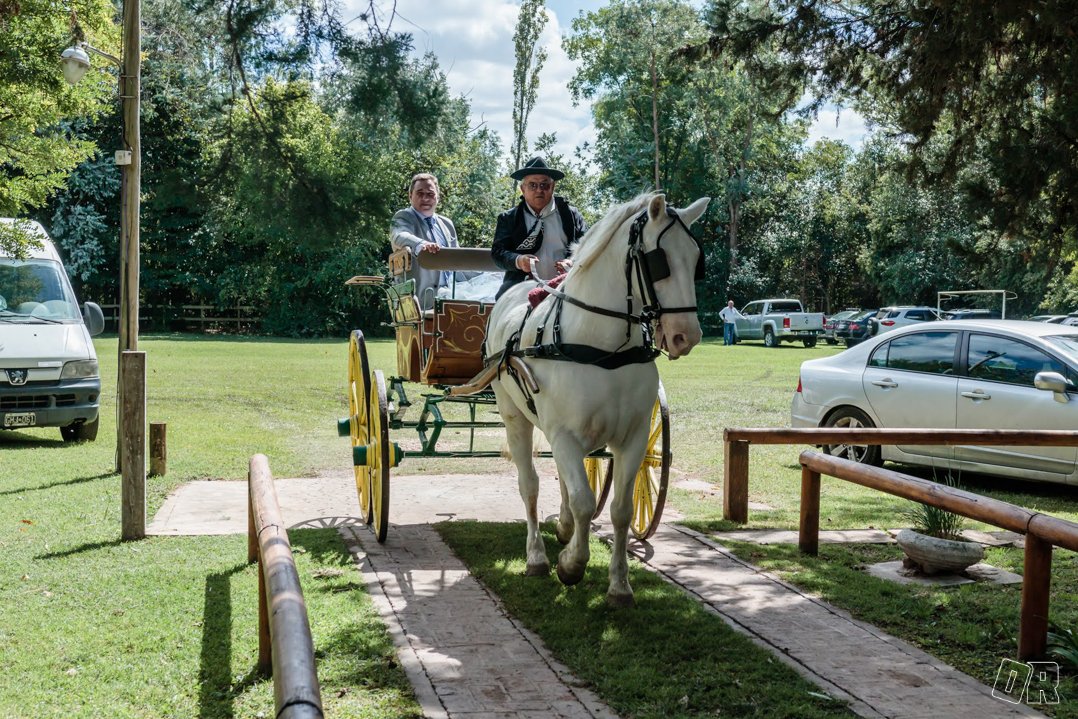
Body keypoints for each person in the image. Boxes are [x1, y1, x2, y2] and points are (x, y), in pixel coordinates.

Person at [491, 157, 587, 299]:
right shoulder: (508, 218)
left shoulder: (572, 216)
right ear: (523, 189)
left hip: (566, 289)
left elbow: (586, 247)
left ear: (552, 187)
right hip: (520, 290)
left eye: (544, 185)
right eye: (532, 185)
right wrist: (519, 260)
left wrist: (572, 261)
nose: (539, 190)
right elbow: (498, 253)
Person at [390, 173, 469, 310]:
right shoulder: (404, 217)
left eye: (430, 194)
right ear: (410, 196)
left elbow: (458, 260)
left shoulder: (447, 224)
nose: (425, 198)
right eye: (420, 193)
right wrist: (421, 245)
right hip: (421, 302)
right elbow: (399, 235)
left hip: (453, 296)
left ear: (437, 197)